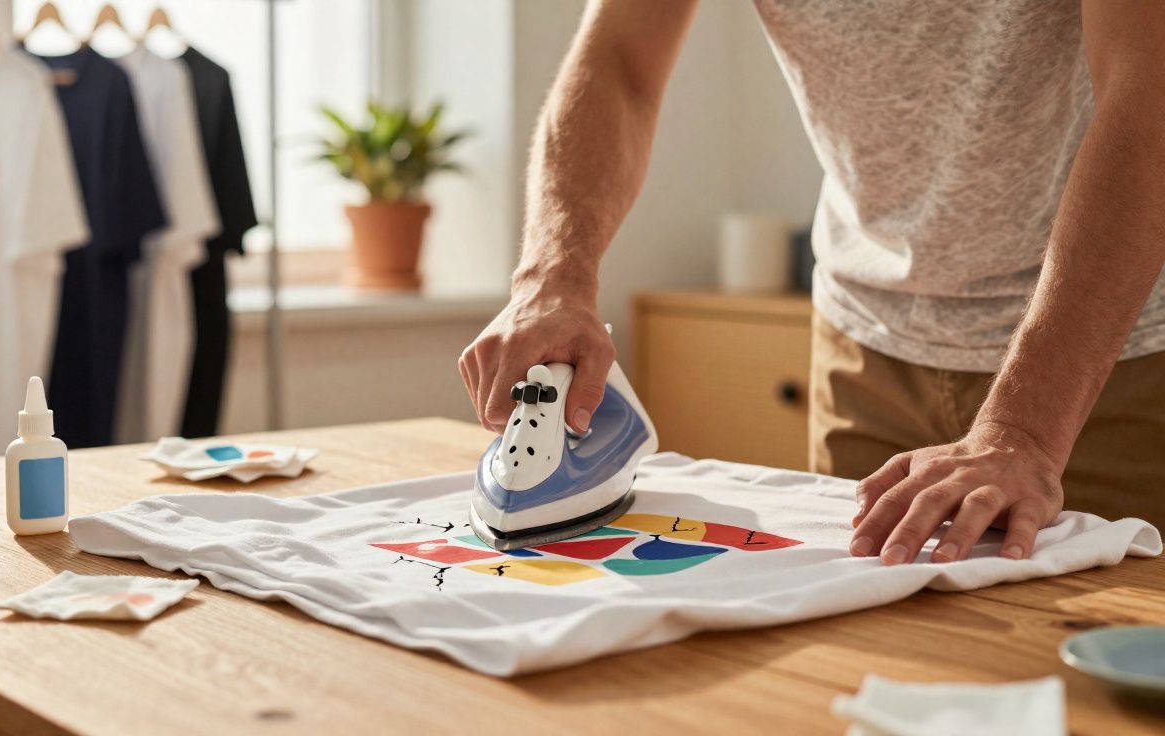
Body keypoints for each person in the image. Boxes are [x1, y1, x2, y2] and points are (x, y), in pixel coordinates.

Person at [458, 0, 1165, 565]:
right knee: (867, 663)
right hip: (866, 344)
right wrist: (551, 276)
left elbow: (1148, 95)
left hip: (1105, 358)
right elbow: (619, 66)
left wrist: (1025, 429)